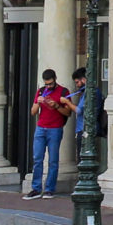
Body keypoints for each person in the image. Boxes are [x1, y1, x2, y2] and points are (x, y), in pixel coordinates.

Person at [26, 70, 74, 199]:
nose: (48, 87)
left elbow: (68, 113)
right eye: (46, 84)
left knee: (53, 160)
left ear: (55, 79)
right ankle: (36, 188)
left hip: (55, 129)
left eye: (51, 84)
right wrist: (39, 103)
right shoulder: (41, 91)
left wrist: (56, 106)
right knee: (37, 159)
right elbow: (33, 112)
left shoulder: (64, 92)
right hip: (41, 128)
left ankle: (49, 189)